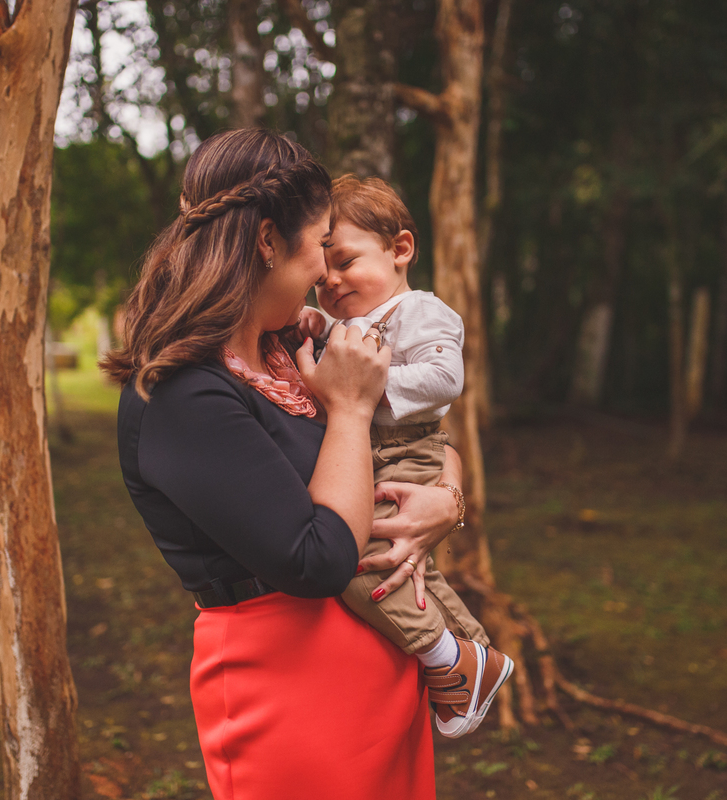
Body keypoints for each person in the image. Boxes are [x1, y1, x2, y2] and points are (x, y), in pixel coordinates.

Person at [104, 129, 470, 800]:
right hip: (292, 696)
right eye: (319, 245)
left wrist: (447, 497)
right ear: (269, 242)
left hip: (383, 671)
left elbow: (419, 431)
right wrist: (353, 410)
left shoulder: (284, 349)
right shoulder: (182, 394)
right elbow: (317, 559)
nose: (325, 276)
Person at [299, 174, 513, 738]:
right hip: (373, 452)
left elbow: (445, 377)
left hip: (409, 450)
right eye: (322, 278)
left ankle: (447, 658)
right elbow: (342, 346)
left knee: (364, 562)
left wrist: (362, 388)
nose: (333, 281)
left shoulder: (421, 310)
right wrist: (318, 325)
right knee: (402, 561)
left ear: (400, 249)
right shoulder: (348, 320)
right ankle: (473, 654)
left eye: (345, 262)